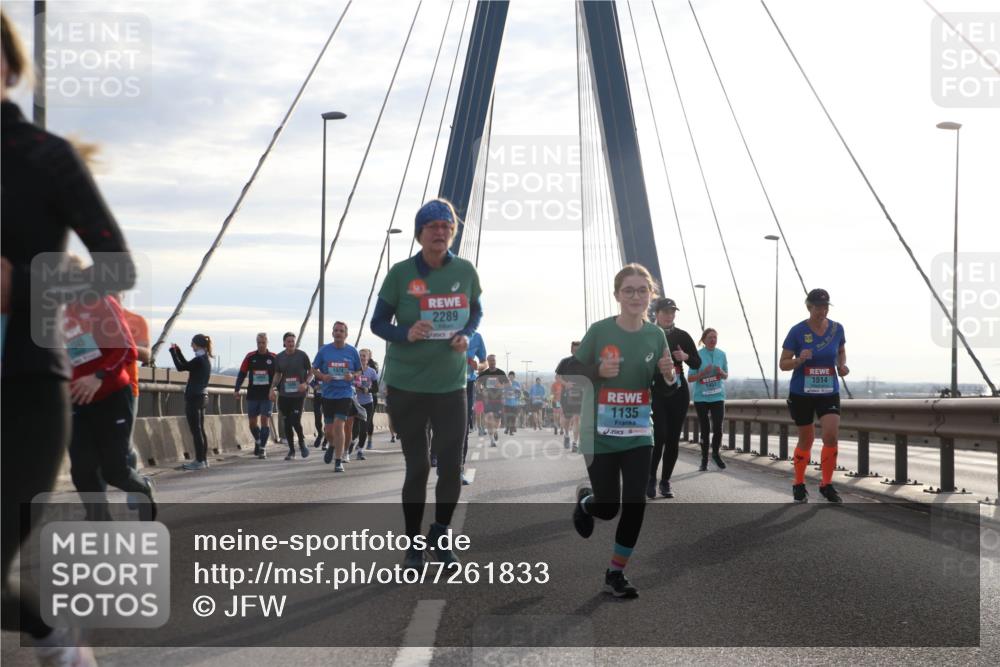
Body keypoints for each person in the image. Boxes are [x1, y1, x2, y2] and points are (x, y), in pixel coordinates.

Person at [2, 13, 135, 662]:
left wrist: (21, 285)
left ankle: (58, 645)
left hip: (24, 390)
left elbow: (115, 267)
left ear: (7, 66)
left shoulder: (45, 159)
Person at [371, 198, 483, 570]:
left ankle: (441, 532)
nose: (440, 232)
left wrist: (467, 333)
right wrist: (405, 332)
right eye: (432, 226)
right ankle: (413, 545)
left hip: (451, 386)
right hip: (408, 386)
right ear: (419, 233)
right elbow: (378, 324)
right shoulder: (401, 274)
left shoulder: (466, 271)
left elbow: (477, 309)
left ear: (453, 232)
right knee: (417, 467)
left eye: (446, 226)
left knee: (451, 466)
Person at [569, 264, 673, 598]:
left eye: (642, 290)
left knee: (635, 501)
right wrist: (597, 370)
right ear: (617, 295)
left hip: (639, 433)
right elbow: (567, 370)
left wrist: (671, 377)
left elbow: (668, 386)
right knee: (608, 507)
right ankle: (587, 502)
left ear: (650, 296)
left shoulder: (656, 335)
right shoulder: (600, 331)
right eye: (628, 290)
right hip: (598, 434)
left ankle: (615, 573)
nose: (636, 296)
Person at [780, 288, 848, 504]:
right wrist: (799, 359)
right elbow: (783, 364)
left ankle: (826, 484)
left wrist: (842, 365)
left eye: (826, 306)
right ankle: (798, 482)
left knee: (831, 435)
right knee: (806, 439)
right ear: (809, 307)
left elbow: (840, 351)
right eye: (818, 307)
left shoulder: (837, 329)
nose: (822, 311)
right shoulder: (797, 331)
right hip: (802, 392)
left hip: (828, 391)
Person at [647, 297, 701, 499]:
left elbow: (697, 363)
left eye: (673, 312)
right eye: (666, 312)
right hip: (657, 392)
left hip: (679, 392)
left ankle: (666, 481)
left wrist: (685, 357)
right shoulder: (649, 335)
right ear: (657, 313)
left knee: (672, 439)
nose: (670, 315)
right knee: (659, 436)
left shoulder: (682, 336)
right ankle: (651, 478)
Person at [313, 321, 362, 472]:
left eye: (341, 331)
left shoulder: (352, 351)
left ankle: (338, 460)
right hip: (328, 394)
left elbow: (359, 371)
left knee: (339, 425)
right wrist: (322, 376)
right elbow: (314, 369)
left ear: (346, 334)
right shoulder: (324, 351)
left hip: (345, 393)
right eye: (336, 330)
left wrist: (352, 375)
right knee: (328, 431)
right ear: (332, 333)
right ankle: (332, 445)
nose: (338, 333)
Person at [170, 335, 214, 470]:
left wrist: (173, 352)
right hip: (202, 397)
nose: (191, 346)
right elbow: (187, 366)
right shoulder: (204, 359)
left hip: (194, 398)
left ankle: (199, 461)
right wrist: (179, 352)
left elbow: (180, 367)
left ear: (197, 345)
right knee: (200, 429)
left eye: (192, 344)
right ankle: (204, 460)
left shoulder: (199, 360)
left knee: (196, 431)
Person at [687, 328, 729, 472]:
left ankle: (716, 454)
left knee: (718, 428)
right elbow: (690, 378)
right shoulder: (697, 356)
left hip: (718, 396)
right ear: (704, 340)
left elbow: (726, 376)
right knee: (705, 430)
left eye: (715, 337)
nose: (713, 340)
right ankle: (704, 459)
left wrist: (721, 372)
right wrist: (703, 373)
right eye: (710, 337)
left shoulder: (721, 354)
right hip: (702, 398)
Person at [270, 332, 313, 461]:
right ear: (284, 343)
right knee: (287, 423)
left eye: (293, 342)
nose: (291, 344)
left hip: (299, 394)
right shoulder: (279, 357)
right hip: (284, 394)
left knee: (295, 420)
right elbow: (277, 374)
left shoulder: (302, 355)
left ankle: (301, 441)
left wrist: (305, 383)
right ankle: (292, 451)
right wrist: (272, 387)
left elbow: (311, 373)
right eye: (288, 341)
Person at [234, 333, 278, 459]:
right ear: (256, 343)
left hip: (267, 394)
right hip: (253, 394)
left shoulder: (273, 357)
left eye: (263, 342)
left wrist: (275, 390)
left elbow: (278, 375)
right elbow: (242, 373)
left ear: (267, 343)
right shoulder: (250, 356)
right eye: (259, 342)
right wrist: (236, 389)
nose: (261, 345)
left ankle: (263, 448)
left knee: (264, 421)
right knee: (252, 423)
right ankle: (258, 440)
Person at [555, 342, 585, 451]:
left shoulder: (586, 362)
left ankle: (575, 443)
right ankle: (567, 435)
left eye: (579, 350)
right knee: (567, 418)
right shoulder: (565, 362)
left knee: (577, 418)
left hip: (581, 394)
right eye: (575, 350)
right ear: (572, 350)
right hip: (567, 394)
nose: (577, 352)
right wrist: (565, 384)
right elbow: (557, 377)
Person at [352, 348, 380, 458]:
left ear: (368, 358)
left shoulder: (371, 372)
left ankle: (360, 451)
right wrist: (355, 387)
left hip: (368, 402)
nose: (362, 358)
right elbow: (348, 383)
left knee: (364, 428)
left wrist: (368, 390)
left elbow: (376, 388)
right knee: (355, 429)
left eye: (364, 356)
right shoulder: (354, 370)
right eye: (360, 355)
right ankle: (352, 443)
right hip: (355, 402)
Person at [477, 355, 507, 446]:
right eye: (490, 361)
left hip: (498, 400)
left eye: (493, 360)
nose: (492, 362)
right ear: (488, 361)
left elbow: (508, 383)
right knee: (489, 417)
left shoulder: (500, 373)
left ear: (495, 361)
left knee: (497, 421)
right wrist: (481, 390)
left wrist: (501, 386)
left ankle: (495, 431)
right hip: (488, 400)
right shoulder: (484, 373)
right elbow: (478, 383)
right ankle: (492, 440)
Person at [503, 371, 521, 435]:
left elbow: (519, 393)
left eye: (512, 376)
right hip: (507, 403)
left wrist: (516, 396)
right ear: (508, 377)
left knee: (513, 417)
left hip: (514, 403)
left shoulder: (517, 383)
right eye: (510, 376)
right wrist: (506, 395)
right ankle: (507, 428)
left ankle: (511, 429)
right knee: (508, 417)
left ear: (514, 377)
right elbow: (503, 392)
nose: (511, 378)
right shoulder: (506, 383)